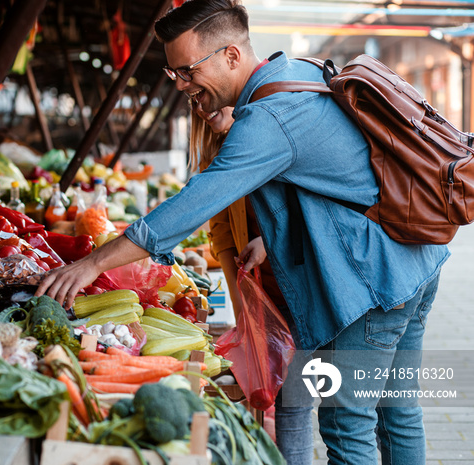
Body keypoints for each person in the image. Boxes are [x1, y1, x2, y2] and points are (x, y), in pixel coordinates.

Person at [37, 1, 448, 464]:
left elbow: (194, 203)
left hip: (376, 283)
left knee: (346, 422)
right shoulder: (302, 74)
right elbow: (331, 185)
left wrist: (93, 262)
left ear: (232, 56)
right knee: (398, 410)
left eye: (188, 71)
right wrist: (271, 239)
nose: (182, 85)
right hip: (415, 260)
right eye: (174, 74)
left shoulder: (268, 117)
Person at [190, 102, 314, 465]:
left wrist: (271, 244)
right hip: (262, 293)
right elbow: (222, 233)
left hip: (301, 287)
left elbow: (309, 206)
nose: (203, 109)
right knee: (285, 401)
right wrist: (241, 301)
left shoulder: (271, 132)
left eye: (211, 100)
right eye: (196, 101)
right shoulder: (214, 156)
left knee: (303, 404)